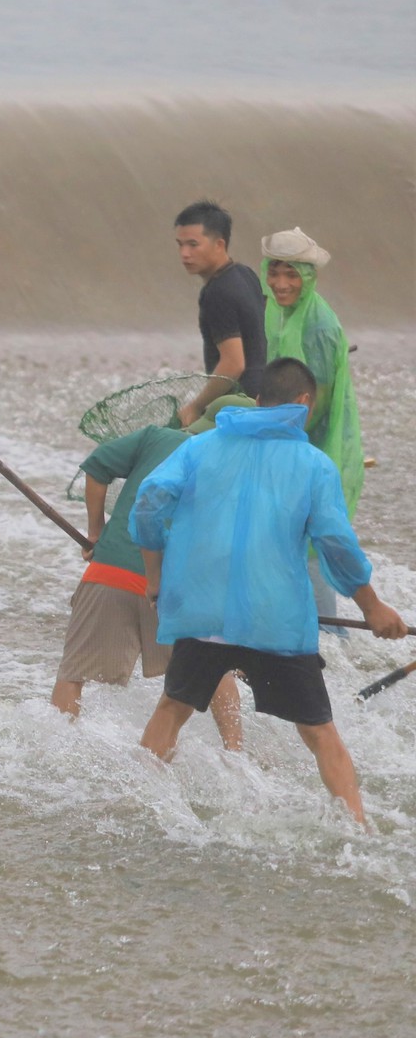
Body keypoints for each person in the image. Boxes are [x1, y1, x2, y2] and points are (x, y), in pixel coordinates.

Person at [132, 358, 407, 825]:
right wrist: (373, 606)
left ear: (258, 401)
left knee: (172, 709)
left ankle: (136, 803)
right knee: (320, 733)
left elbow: (148, 500)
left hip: (205, 614)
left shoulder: (201, 446)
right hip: (273, 621)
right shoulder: (314, 465)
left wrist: (156, 576)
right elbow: (335, 544)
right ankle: (358, 830)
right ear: (303, 403)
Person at [51, 396, 252, 741]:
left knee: (72, 675)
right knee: (216, 672)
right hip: (178, 591)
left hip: (111, 572)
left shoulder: (157, 437)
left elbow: (97, 466)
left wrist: (96, 531)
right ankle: (234, 756)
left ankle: (56, 750)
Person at [261, 228, 363, 517]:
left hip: (308, 439)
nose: (280, 284)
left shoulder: (318, 327)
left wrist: (276, 441)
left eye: (291, 275)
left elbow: (319, 403)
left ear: (308, 278)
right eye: (274, 272)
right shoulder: (283, 313)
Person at [172, 199, 266, 424]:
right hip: (262, 398)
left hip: (236, 408)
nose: (184, 253)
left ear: (219, 245)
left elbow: (234, 364)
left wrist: (195, 407)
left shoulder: (217, 293)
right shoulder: (245, 274)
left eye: (193, 244)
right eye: (180, 244)